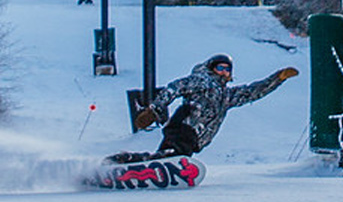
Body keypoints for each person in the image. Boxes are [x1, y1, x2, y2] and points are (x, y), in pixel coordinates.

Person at [108, 54, 297, 163]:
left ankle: (131, 162)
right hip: (185, 125)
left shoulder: (227, 95)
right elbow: (175, 87)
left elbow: (252, 92)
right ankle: (139, 161)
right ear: (211, 68)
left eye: (228, 69)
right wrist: (155, 110)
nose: (224, 72)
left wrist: (277, 78)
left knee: (166, 159)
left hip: (197, 138)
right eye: (220, 68)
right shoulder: (202, 80)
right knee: (176, 156)